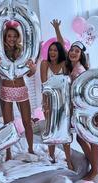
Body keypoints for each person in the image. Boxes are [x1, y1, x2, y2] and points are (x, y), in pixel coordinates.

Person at [0, 25, 37, 161]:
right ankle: (9, 153)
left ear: (18, 38)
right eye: (9, 36)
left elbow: (29, 74)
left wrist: (33, 68)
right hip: (7, 90)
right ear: (4, 37)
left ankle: (31, 148)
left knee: (27, 122)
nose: (12, 39)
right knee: (8, 125)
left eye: (15, 36)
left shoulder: (23, 52)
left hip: (21, 89)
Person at [40, 19, 73, 170]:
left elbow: (64, 47)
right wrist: (45, 104)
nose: (52, 52)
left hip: (64, 102)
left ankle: (69, 160)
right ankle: (51, 156)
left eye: (55, 50)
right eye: (50, 50)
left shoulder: (64, 63)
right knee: (51, 130)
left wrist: (57, 30)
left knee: (64, 131)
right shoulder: (44, 64)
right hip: (50, 102)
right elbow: (44, 86)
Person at [66, 41, 98, 180]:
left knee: (91, 139)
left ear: (81, 55)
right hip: (80, 109)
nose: (73, 53)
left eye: (77, 51)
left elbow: (84, 93)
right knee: (81, 138)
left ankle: (96, 170)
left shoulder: (80, 71)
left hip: (86, 108)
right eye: (71, 50)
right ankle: (94, 166)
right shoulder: (73, 69)